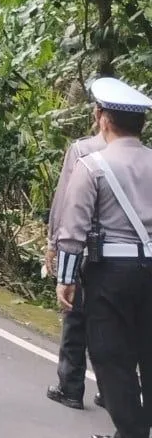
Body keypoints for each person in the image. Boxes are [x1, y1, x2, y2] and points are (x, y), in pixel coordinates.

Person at [55, 77, 152, 438]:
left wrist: (66, 278)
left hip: (111, 272)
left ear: (102, 118)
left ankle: (131, 430)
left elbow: (73, 228)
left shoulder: (92, 166)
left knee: (111, 354)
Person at [45, 110, 107, 411]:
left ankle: (70, 387)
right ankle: (111, 391)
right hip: (130, 260)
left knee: (75, 318)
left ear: (99, 116)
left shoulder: (83, 150)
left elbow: (66, 202)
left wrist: (53, 242)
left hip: (85, 250)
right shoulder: (145, 159)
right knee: (116, 325)